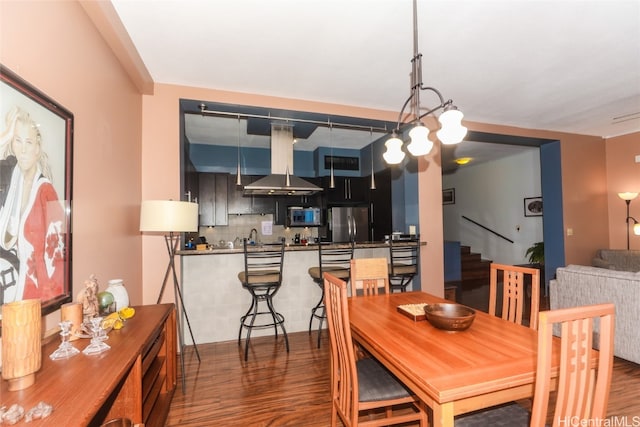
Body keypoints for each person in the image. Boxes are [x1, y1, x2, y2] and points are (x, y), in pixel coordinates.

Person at [0, 106, 65, 302]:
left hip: (32, 295)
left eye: (29, 142)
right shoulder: (8, 178)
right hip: (8, 289)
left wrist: (50, 298)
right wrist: (5, 135)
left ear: (37, 148)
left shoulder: (46, 192)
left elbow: (57, 256)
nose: (23, 149)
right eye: (18, 141)